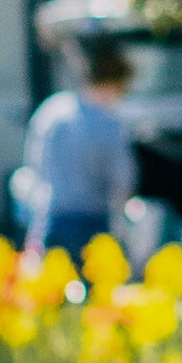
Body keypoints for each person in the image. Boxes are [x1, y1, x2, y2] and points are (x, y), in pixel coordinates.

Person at [19, 43, 135, 263]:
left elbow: (33, 170)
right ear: (113, 84)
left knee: (53, 290)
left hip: (50, 221)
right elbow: (123, 182)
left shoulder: (50, 112)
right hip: (94, 223)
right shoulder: (110, 124)